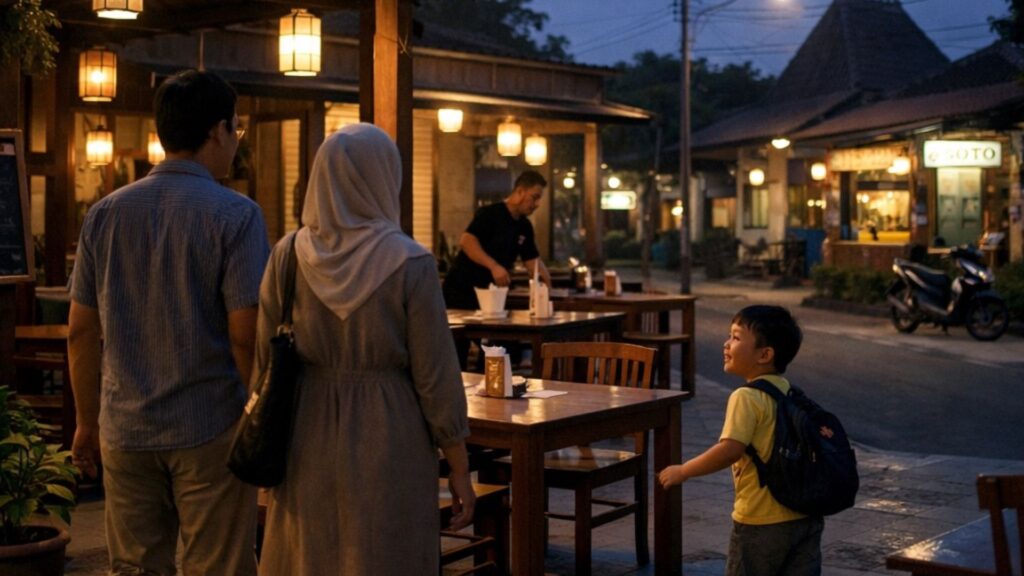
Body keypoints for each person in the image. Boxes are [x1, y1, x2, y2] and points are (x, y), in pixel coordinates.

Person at [68, 70, 269, 575]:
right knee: (217, 567)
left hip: (125, 427)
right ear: (218, 131)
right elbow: (246, 335)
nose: (236, 143)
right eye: (237, 130)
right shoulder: (237, 215)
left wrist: (86, 422)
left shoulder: (105, 214)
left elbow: (80, 331)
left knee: (134, 568)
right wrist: (258, 419)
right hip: (210, 427)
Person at [256, 123, 476, 575]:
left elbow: (265, 359)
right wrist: (458, 465)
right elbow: (435, 377)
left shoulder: (287, 256)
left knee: (310, 554)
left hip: (304, 430)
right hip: (390, 433)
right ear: (384, 178)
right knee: (383, 551)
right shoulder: (410, 262)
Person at [658, 305, 823, 576]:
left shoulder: (746, 397)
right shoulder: (790, 392)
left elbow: (730, 450)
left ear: (764, 354)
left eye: (735, 337)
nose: (726, 343)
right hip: (805, 516)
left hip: (761, 520)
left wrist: (683, 471)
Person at [442, 169, 552, 310]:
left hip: (492, 294)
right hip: (462, 290)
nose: (537, 204)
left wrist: (547, 287)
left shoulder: (524, 226)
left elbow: (533, 262)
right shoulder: (490, 214)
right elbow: (467, 241)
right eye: (534, 197)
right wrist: (493, 266)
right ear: (520, 192)